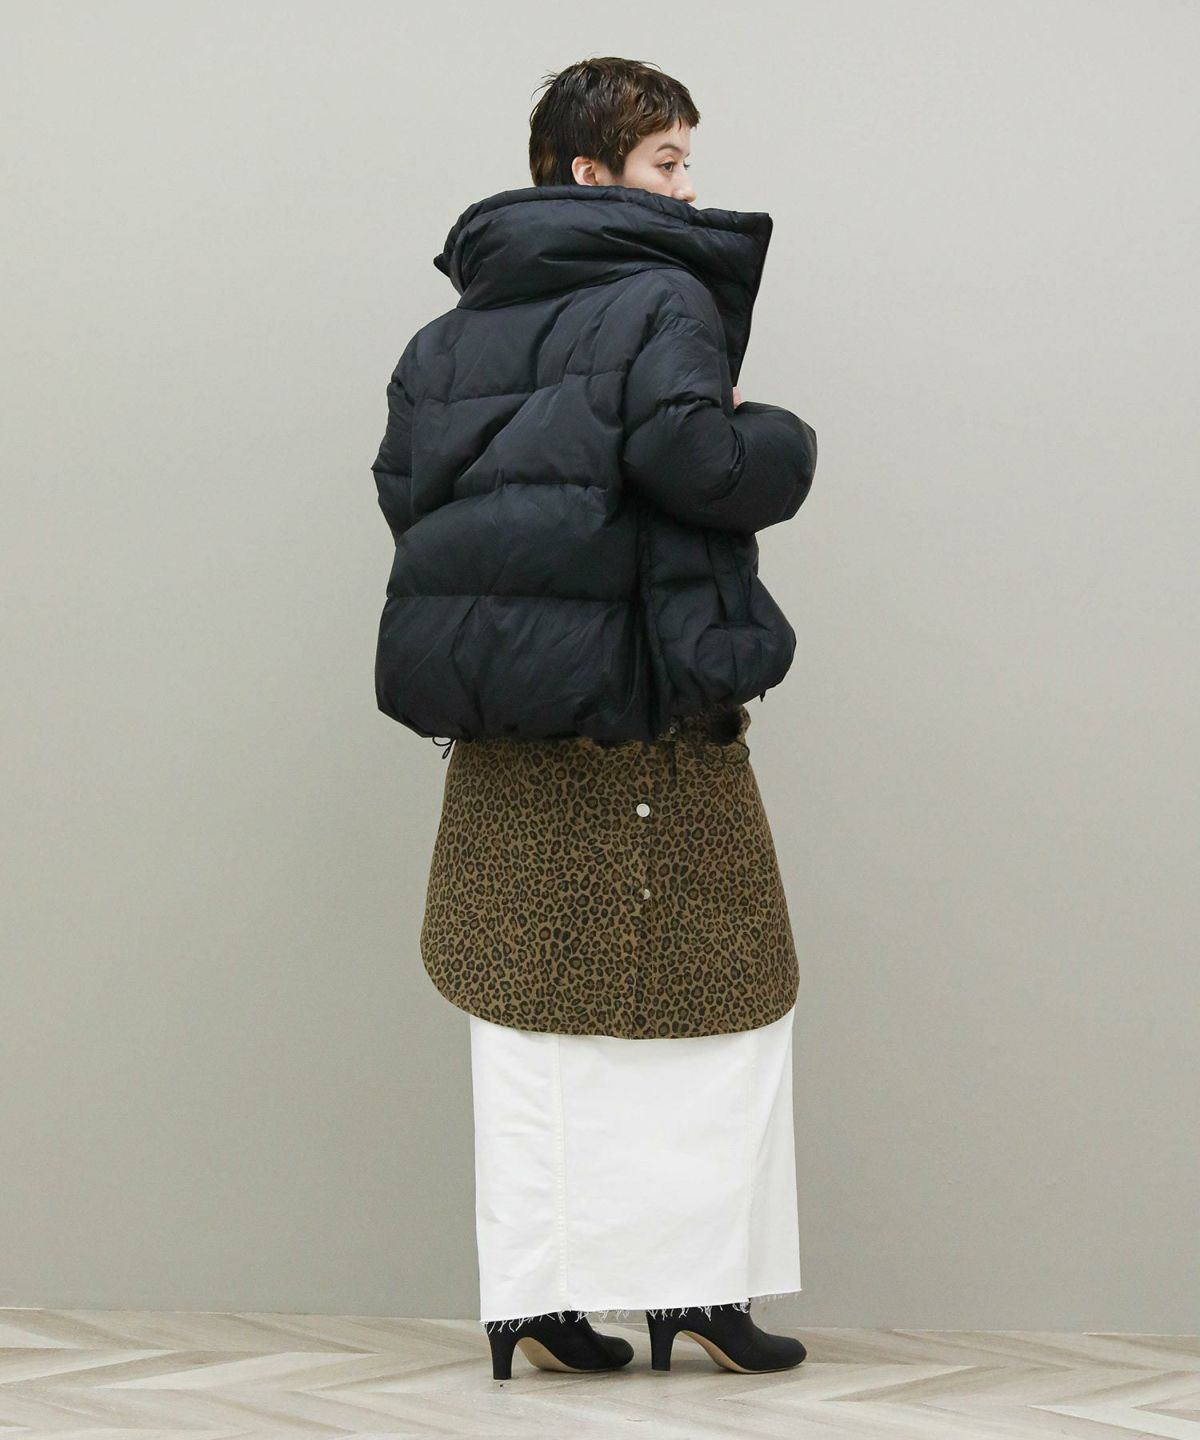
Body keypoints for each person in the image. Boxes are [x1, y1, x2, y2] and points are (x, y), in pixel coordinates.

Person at [370, 56, 818, 1379]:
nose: (688, 187)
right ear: (590, 172)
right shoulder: (663, 296)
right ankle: (701, 1286)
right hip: (644, 705)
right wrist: (778, 434)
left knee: (525, 1016)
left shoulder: (444, 337)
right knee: (725, 999)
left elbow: (406, 490)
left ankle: (532, 1303)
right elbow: (699, 461)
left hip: (506, 713)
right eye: (667, 162)